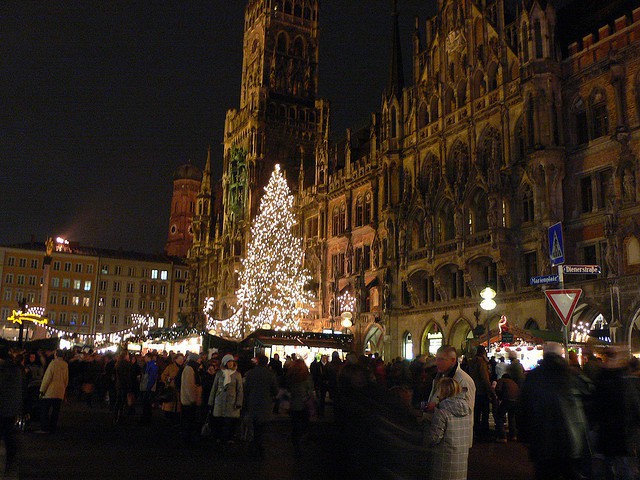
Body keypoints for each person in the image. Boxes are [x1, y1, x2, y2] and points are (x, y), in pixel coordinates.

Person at [518, 342, 591, 480]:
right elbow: (590, 395)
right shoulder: (571, 375)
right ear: (561, 355)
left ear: (544, 355)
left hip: (541, 440)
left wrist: (523, 435)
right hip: (570, 440)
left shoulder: (533, 377)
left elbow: (523, 408)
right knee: (570, 473)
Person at [591, 346, 640, 479]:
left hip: (607, 433)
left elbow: (594, 409)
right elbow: (634, 406)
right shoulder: (624, 379)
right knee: (624, 466)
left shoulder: (600, 379)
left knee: (609, 465)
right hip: (623, 433)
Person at [426, 377, 473, 480]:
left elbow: (434, 438)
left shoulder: (442, 413)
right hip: (461, 460)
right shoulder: (466, 411)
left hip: (444, 461)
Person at [426, 346, 475, 419]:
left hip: (455, 428)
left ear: (453, 360)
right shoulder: (440, 376)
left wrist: (437, 405)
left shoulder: (462, 380)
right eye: (436, 359)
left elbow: (466, 408)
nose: (437, 363)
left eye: (441, 360)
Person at [244, 354, 278, 458]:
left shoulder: (250, 373)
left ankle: (253, 447)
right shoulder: (270, 374)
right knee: (262, 428)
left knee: (253, 427)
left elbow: (246, 389)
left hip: (253, 402)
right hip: (265, 404)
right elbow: (275, 390)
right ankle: (260, 449)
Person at [208, 354, 243, 445]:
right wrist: (211, 402)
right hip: (219, 400)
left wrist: (239, 402)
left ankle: (229, 437)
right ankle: (218, 437)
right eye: (228, 362)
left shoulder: (237, 375)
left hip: (231, 401)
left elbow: (240, 389)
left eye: (231, 361)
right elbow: (214, 387)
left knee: (230, 421)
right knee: (219, 420)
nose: (230, 363)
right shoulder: (219, 373)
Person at [285, 358, 314, 458]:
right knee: (303, 425)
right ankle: (301, 444)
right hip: (304, 404)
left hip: (294, 404)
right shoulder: (307, 376)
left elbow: (287, 389)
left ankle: (296, 445)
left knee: (295, 426)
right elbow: (310, 390)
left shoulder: (290, 376)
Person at [0, 346, 22, 476]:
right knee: (9, 436)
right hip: (12, 408)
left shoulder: (2, 370)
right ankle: (11, 462)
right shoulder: (16, 369)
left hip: (3, 407)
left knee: (6, 435)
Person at [38, 349, 69, 434]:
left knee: (45, 409)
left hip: (50, 391)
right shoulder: (65, 365)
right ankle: (53, 427)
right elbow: (66, 379)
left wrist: (42, 390)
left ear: (56, 355)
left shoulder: (53, 364)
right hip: (60, 391)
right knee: (56, 411)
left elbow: (47, 378)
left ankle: (45, 427)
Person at [468, 345, 492, 439]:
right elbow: (484, 378)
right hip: (482, 391)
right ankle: (484, 433)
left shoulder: (472, 361)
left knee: (476, 413)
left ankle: (476, 431)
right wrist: (490, 390)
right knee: (484, 413)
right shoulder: (481, 362)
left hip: (474, 390)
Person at [179, 352, 201, 443]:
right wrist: (193, 399)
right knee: (188, 421)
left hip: (189, 400)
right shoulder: (190, 370)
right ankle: (187, 439)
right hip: (189, 401)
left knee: (188, 420)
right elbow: (189, 386)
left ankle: (187, 437)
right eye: (199, 360)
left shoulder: (191, 369)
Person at [493, 373, 519, 443]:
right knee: (512, 417)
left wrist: (500, 397)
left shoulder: (501, 380)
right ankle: (513, 435)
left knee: (499, 416)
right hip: (516, 400)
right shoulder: (513, 382)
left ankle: (502, 436)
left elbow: (498, 389)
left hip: (507, 400)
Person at [139, 352, 158, 425]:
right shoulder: (151, 365)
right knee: (147, 404)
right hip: (148, 387)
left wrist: (148, 387)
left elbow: (151, 378)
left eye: (145, 357)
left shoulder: (151, 366)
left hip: (148, 387)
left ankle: (146, 419)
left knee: (146, 404)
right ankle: (146, 418)